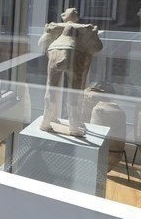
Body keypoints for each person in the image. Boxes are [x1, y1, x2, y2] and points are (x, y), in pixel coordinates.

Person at [39, 8, 103, 136]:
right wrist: (94, 34)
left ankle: (46, 122)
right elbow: (97, 47)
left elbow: (42, 44)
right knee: (74, 91)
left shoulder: (55, 26)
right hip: (75, 53)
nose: (74, 12)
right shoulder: (86, 28)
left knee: (51, 89)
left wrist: (47, 31)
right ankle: (73, 127)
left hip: (55, 52)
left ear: (64, 17)